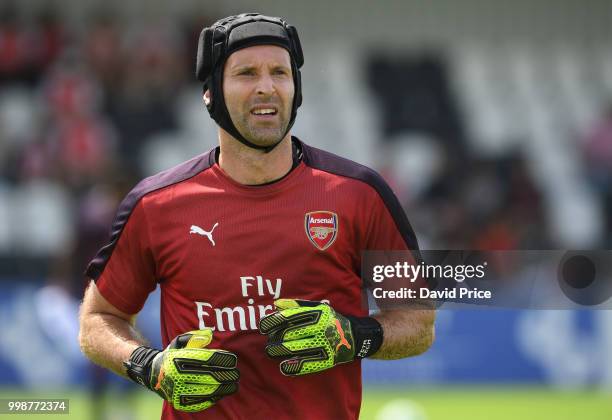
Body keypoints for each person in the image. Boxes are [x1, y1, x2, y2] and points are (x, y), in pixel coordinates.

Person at [78, 13, 435, 420]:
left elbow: (418, 323)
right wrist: (150, 365)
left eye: (280, 73)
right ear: (211, 93)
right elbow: (98, 320)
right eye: (246, 73)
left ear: (295, 89)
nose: (266, 87)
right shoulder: (155, 204)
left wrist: (355, 336)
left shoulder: (361, 194)